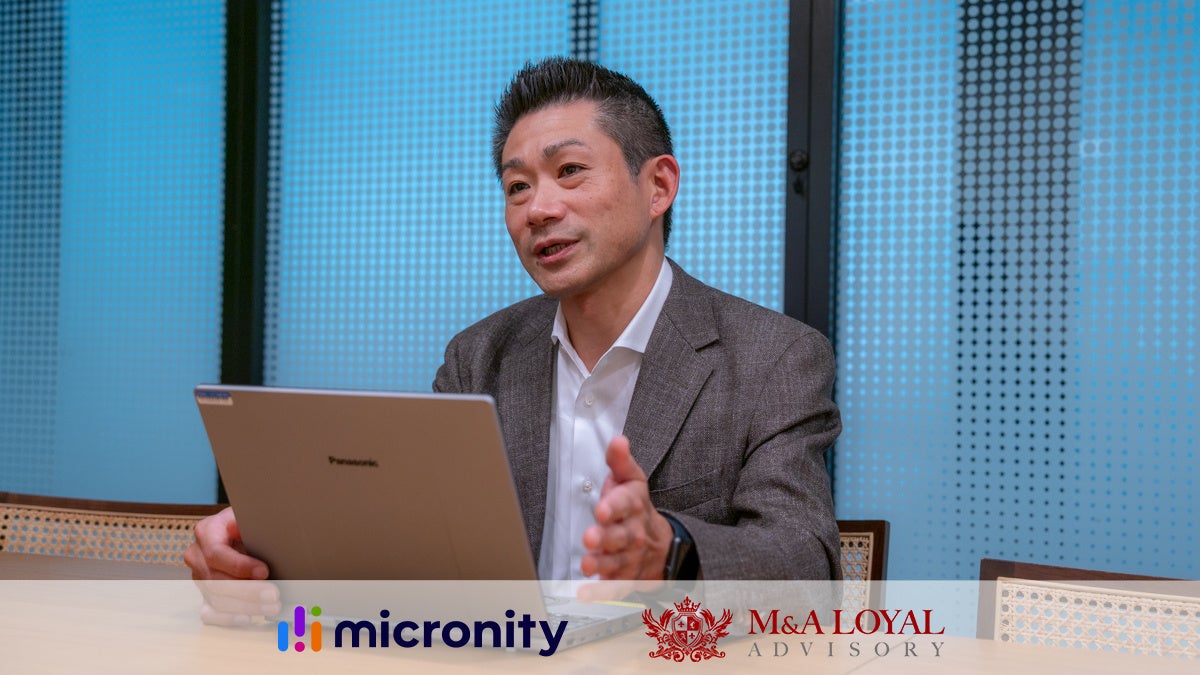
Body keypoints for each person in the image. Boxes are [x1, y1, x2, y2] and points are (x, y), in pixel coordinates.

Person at [185, 56, 841, 625]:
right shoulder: (478, 357)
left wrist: (671, 552)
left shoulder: (774, 357)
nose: (538, 208)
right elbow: (416, 549)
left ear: (659, 186)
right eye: (517, 186)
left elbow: (806, 566)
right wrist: (260, 556)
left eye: (570, 170)